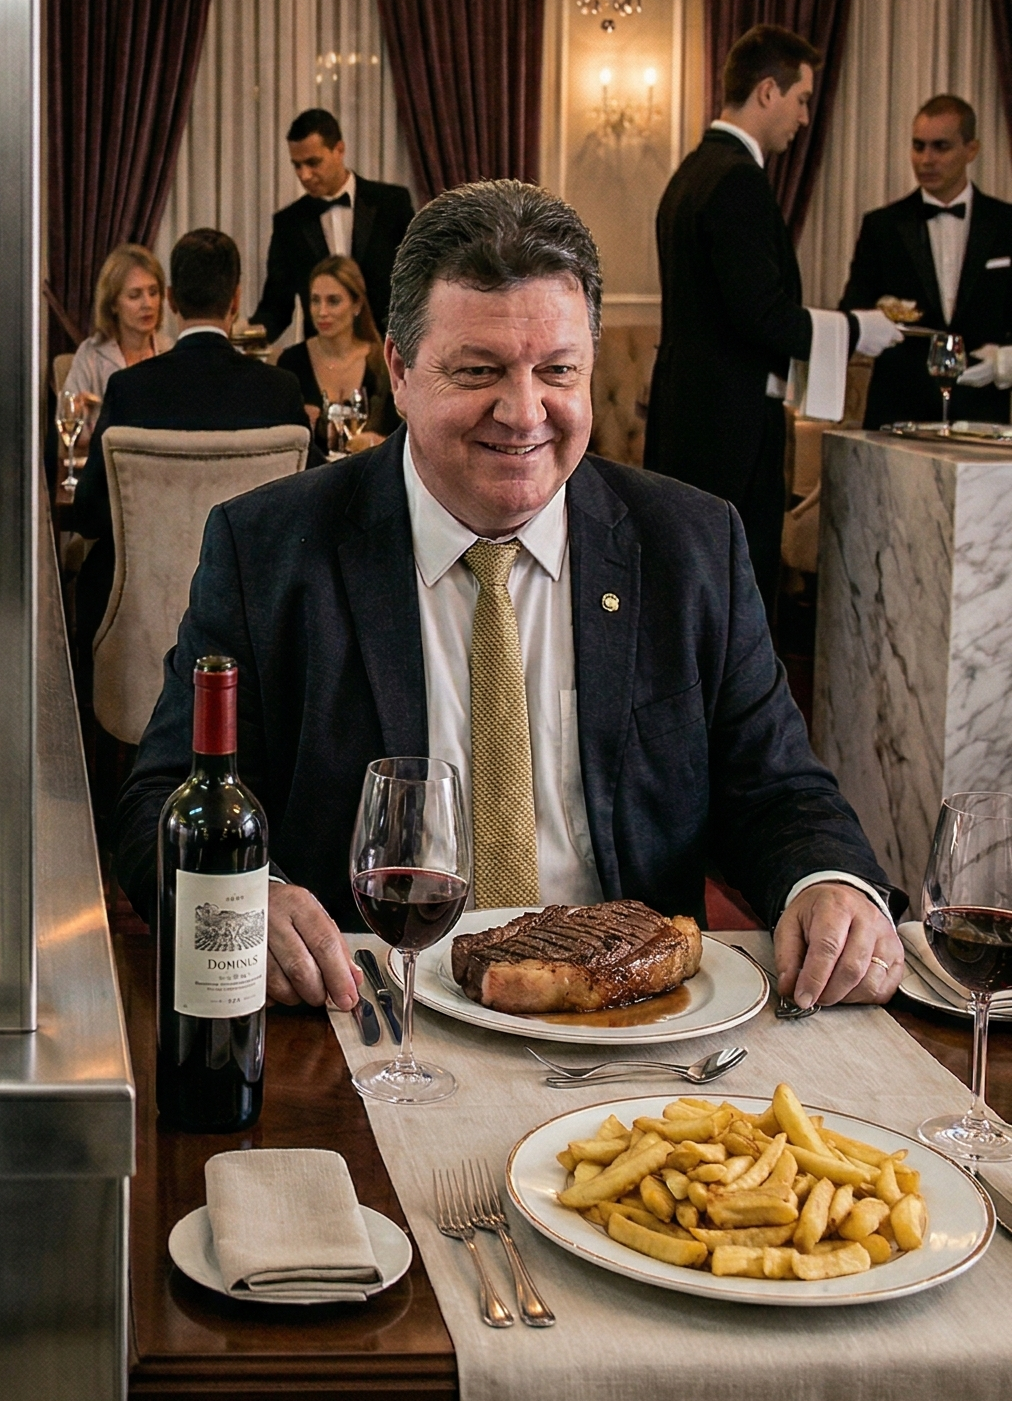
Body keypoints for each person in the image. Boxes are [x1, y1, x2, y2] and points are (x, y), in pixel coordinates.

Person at [119, 181, 903, 1027]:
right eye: (479, 371)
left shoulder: (690, 547)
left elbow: (779, 790)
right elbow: (160, 797)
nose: (524, 413)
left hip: (637, 1025)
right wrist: (246, 896)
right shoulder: (269, 549)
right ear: (400, 372)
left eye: (557, 371)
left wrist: (829, 883)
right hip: (369, 1013)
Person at [644, 25, 901, 609]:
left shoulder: (693, 171)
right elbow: (761, 315)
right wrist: (859, 329)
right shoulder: (738, 179)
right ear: (767, 92)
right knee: (736, 592)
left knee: (691, 586)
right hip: (729, 428)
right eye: (801, 99)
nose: (804, 117)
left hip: (690, 414)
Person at [70, 228, 310, 662]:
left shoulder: (129, 389)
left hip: (137, 625)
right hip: (254, 619)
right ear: (235, 299)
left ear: (171, 300)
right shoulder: (279, 390)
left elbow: (87, 514)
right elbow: (307, 510)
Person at [841, 93, 1012, 428]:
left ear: (971, 150)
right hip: (899, 410)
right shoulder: (882, 226)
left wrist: (1001, 360)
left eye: (940, 147)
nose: (926, 159)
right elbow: (853, 308)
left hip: (981, 412)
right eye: (918, 146)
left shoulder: (1006, 224)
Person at [250, 107, 414, 350]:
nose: (304, 175)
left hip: (389, 352)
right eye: (297, 165)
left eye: (313, 163)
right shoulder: (289, 223)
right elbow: (276, 308)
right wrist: (240, 340)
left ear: (339, 149)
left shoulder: (391, 204)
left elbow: (416, 281)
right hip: (322, 358)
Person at [275, 253, 398, 448]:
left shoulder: (382, 363)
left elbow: (405, 437)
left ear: (356, 304)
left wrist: (376, 443)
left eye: (333, 301)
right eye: (315, 300)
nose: (322, 312)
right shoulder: (292, 363)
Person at [62, 241, 171, 402]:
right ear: (113, 303)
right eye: (134, 295)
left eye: (153, 292)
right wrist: (80, 410)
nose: (148, 304)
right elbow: (68, 412)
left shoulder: (170, 351)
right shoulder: (91, 355)